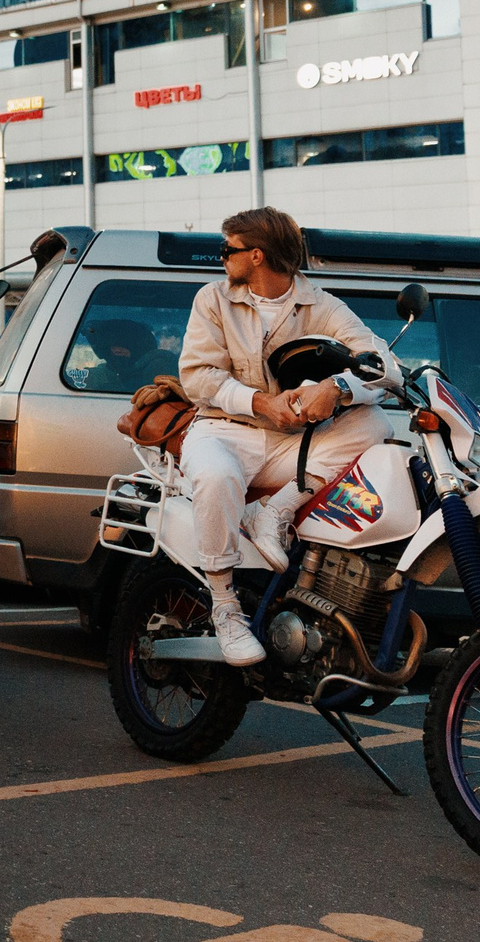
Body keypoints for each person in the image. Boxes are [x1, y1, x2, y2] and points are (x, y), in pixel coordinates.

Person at [176, 207, 400, 666]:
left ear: (256, 255)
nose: (222, 258)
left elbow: (384, 366)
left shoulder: (322, 305)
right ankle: (224, 605)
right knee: (216, 475)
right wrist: (262, 403)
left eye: (227, 250)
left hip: (289, 445)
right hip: (223, 431)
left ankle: (273, 513)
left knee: (376, 426)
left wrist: (337, 388)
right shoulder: (213, 299)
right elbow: (197, 377)